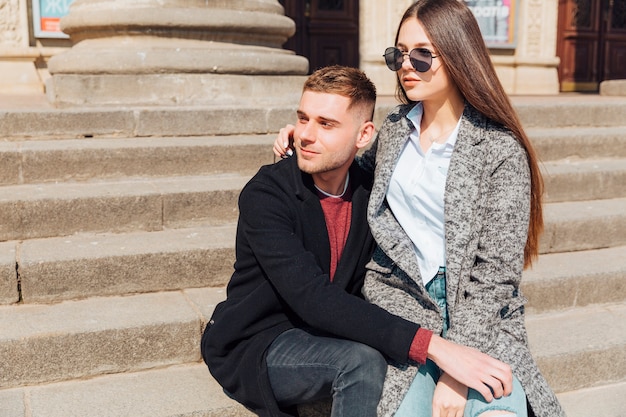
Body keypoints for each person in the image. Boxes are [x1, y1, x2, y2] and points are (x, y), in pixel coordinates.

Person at [273, 2, 566, 417]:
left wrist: (456, 371)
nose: (406, 65)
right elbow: (352, 170)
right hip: (402, 304)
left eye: (422, 55)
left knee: (498, 410)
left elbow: (495, 277)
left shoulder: (499, 150)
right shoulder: (394, 129)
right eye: (398, 54)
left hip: (478, 308)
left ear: (458, 54)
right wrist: (306, 134)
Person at [202, 65, 515, 417]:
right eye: (303, 119)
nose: (306, 135)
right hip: (260, 340)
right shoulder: (267, 195)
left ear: (364, 135)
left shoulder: (371, 190)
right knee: (361, 362)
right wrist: (435, 347)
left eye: (326, 124)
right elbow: (313, 298)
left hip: (330, 330)